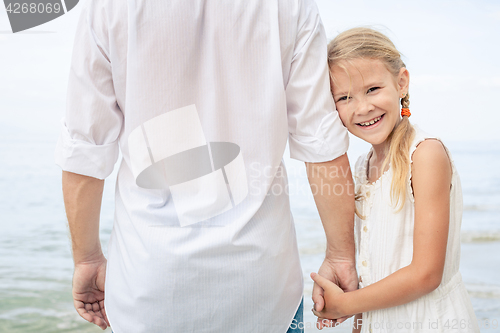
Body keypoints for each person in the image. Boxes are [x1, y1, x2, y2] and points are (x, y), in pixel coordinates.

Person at [55, 0, 357, 332]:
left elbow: (85, 152)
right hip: (262, 287)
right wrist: (341, 255)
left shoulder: (108, 7)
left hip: (150, 288)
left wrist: (87, 260)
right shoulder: (291, 6)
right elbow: (320, 143)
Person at [310, 27, 480, 332]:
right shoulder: (361, 167)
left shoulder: (425, 155)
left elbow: (426, 274)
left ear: (401, 83)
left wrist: (346, 304)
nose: (363, 108)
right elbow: (372, 268)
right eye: (345, 97)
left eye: (373, 89)